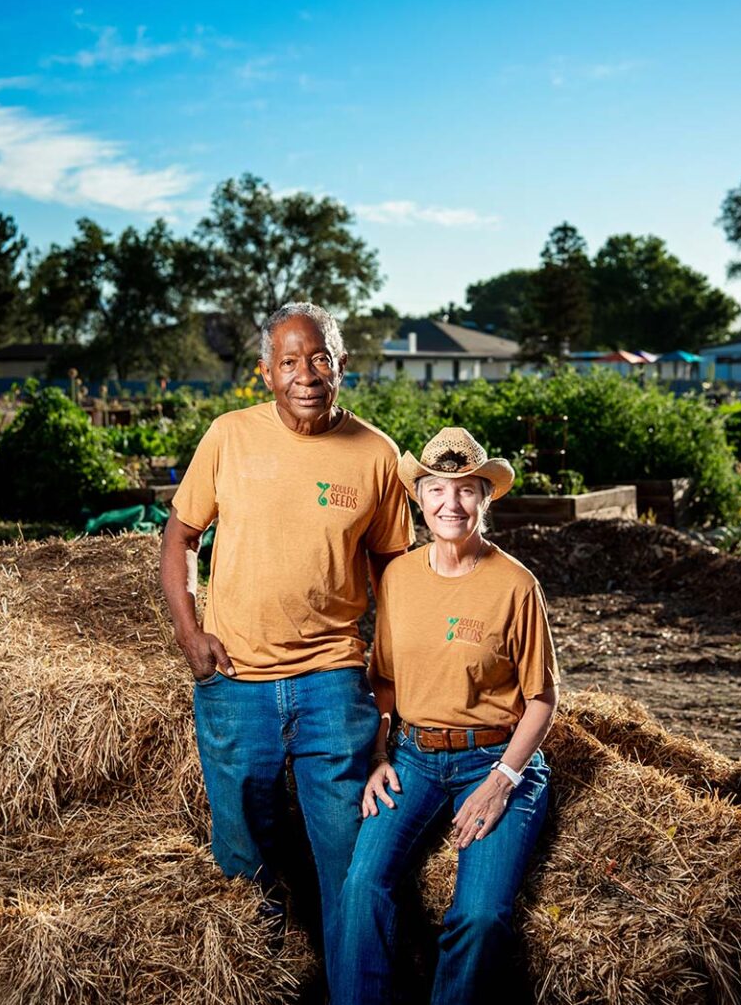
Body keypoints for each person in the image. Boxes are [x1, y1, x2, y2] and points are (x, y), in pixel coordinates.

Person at [159, 301, 413, 987]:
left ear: (342, 366)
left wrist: (389, 683)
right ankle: (261, 989)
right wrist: (190, 632)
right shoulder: (228, 436)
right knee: (244, 862)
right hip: (234, 680)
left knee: (352, 860)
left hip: (333, 680)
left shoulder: (378, 456)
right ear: (265, 372)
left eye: (320, 358)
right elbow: (181, 537)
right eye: (291, 361)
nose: (307, 374)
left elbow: (397, 574)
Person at [332, 427, 560, 1005]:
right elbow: (383, 680)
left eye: (465, 491)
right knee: (362, 886)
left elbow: (542, 700)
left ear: (486, 498)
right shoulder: (399, 579)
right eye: (437, 490)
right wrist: (380, 754)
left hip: (494, 757)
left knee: (480, 915)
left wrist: (502, 780)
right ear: (420, 498)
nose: (450, 505)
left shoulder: (516, 585)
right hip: (414, 756)